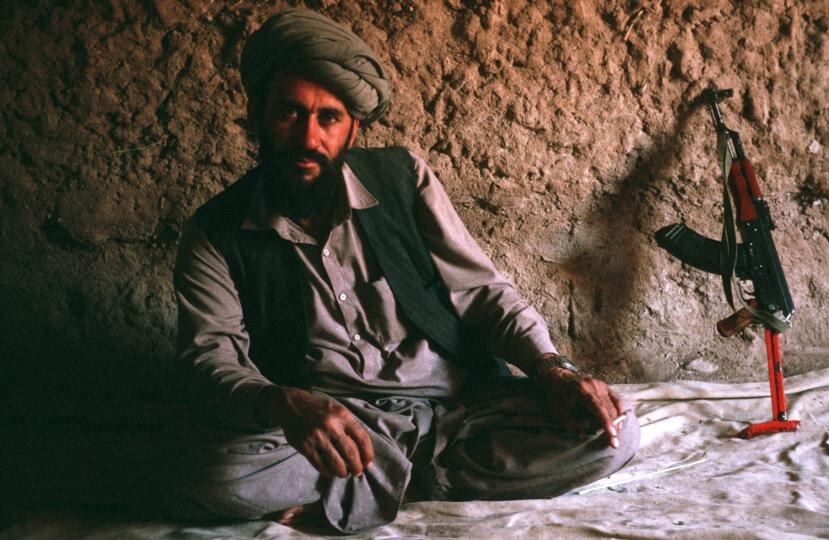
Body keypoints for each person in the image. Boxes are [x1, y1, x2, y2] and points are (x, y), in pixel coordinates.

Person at [165, 8, 639, 533]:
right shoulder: (216, 231)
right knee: (207, 476)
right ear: (258, 115)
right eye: (288, 114)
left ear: (353, 129)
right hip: (337, 427)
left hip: (455, 409)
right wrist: (284, 403)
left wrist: (553, 369)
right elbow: (212, 362)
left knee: (612, 431)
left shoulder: (402, 178)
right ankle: (401, 476)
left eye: (328, 118)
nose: (309, 138)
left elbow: (481, 292)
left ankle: (376, 486)